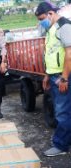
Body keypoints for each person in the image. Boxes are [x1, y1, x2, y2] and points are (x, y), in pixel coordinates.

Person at [35, 2, 71, 157]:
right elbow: (51, 53)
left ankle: (61, 146)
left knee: (62, 112)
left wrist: (63, 78)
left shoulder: (64, 26)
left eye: (42, 18)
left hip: (63, 76)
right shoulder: (51, 28)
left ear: (50, 13)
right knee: (64, 111)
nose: (41, 22)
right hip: (55, 75)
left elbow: (69, 55)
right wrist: (47, 74)